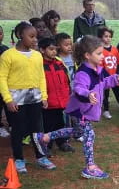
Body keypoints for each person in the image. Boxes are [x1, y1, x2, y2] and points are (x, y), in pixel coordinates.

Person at [32, 35, 119, 179]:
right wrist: (88, 94)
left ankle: (44, 137)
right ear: (87, 55)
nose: (102, 56)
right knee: (89, 135)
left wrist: (116, 78)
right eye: (99, 53)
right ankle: (90, 167)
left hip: (88, 109)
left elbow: (104, 82)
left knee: (77, 131)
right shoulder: (83, 72)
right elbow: (78, 88)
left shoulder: (99, 69)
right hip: (81, 110)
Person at [0, 21, 55, 173]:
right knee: (18, 129)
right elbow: (2, 78)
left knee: (37, 129)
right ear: (19, 35)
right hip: (16, 99)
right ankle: (19, 159)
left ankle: (41, 157)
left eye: (35, 37)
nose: (35, 40)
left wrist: (43, 96)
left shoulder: (37, 55)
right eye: (31, 36)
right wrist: (8, 99)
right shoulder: (8, 55)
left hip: (35, 98)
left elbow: (41, 77)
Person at [38, 37, 74, 153]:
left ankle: (62, 142)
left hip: (61, 100)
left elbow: (66, 81)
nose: (54, 51)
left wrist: (67, 95)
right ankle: (47, 146)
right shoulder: (39, 65)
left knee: (60, 122)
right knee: (48, 124)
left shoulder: (59, 63)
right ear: (42, 50)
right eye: (50, 49)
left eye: (55, 49)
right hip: (48, 101)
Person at [98, 26, 119, 119]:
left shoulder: (114, 49)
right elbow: (99, 65)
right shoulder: (99, 50)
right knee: (105, 94)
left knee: (118, 93)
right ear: (100, 37)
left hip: (115, 77)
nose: (108, 38)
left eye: (109, 36)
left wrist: (118, 74)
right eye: (105, 36)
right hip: (105, 77)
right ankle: (106, 110)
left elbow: (118, 62)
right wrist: (105, 76)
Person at [0, 25, 10, 137]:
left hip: (5, 81)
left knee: (6, 104)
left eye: (1, 33)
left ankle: (10, 125)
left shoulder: (5, 49)